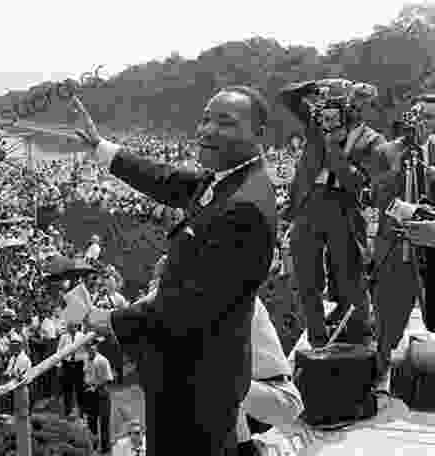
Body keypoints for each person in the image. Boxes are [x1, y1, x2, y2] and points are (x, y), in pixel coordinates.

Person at [74, 85, 278, 456]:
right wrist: (103, 149)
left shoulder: (244, 206)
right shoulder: (228, 180)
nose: (207, 130)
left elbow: (193, 304)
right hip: (193, 371)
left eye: (226, 122)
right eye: (205, 119)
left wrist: (113, 320)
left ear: (259, 135)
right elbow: (167, 180)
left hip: (198, 381)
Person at [279, 79, 386, 347]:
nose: (356, 106)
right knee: (306, 270)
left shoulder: (373, 140)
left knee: (349, 271)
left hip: (344, 205)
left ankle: (359, 333)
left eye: (363, 102)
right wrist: (314, 85)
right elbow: (287, 97)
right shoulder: (318, 122)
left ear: (370, 108)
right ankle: (316, 334)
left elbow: (356, 183)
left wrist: (334, 147)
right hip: (309, 203)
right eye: (353, 99)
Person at [371, 95, 435, 387]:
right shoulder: (387, 151)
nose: (426, 124)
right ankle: (378, 379)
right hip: (397, 247)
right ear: (411, 117)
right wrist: (411, 212)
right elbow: (378, 198)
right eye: (421, 116)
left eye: (432, 118)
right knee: (389, 317)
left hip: (431, 249)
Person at [235, 296, 304, 454]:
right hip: (247, 396)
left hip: (278, 397)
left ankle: (244, 448)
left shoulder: (231, 296)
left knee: (214, 374)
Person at [83, 339, 113, 454]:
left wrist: (96, 387)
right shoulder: (86, 358)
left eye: (93, 346)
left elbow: (108, 379)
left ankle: (105, 449)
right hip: (90, 393)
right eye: (88, 347)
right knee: (91, 421)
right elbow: (86, 374)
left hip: (101, 393)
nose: (91, 348)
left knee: (104, 422)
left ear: (96, 347)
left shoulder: (102, 361)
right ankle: (93, 447)